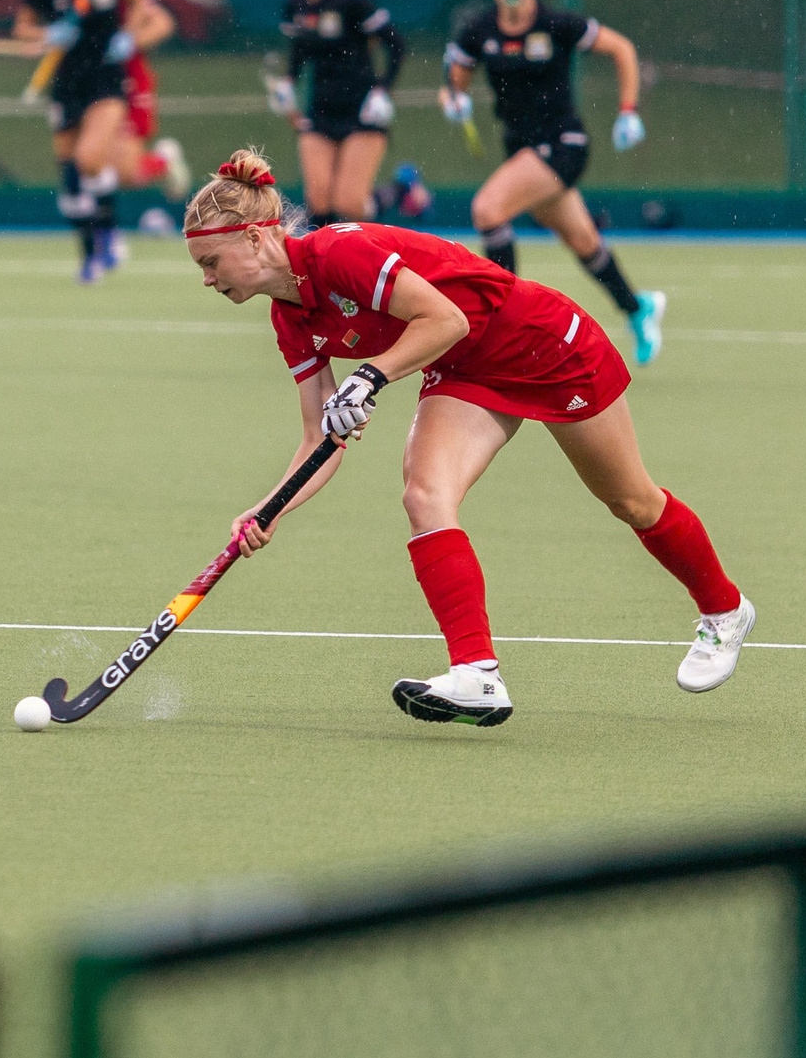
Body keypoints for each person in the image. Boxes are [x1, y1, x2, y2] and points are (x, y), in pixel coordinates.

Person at [181, 151, 753, 728]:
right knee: (424, 494)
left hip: (543, 342)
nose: (207, 279)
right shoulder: (290, 319)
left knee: (631, 501)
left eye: (211, 261)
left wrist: (369, 377)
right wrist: (270, 507)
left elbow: (446, 319)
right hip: (466, 371)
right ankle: (477, 674)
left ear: (255, 239)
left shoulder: (337, 253)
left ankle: (725, 610)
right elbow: (319, 438)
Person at [442, 0, 664, 364]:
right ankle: (638, 307)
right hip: (521, 150)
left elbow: (623, 50)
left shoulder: (557, 23)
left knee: (488, 210)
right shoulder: (479, 30)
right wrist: (453, 101)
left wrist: (628, 111)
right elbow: (456, 80)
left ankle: (500, 327)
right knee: (583, 240)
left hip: (564, 144)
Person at [11, 0, 189, 282]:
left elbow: (141, 5)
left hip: (107, 81)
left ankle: (107, 238)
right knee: (70, 177)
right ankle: (91, 254)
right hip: (66, 85)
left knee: (89, 158)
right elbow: (23, 28)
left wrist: (131, 37)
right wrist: (45, 37)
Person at [270, 0, 407, 226]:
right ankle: (331, 271)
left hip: (361, 110)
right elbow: (300, 48)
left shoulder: (353, 1)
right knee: (319, 204)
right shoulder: (295, 2)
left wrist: (383, 90)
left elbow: (396, 44)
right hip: (320, 109)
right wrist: (288, 82)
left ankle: (400, 192)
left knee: (349, 203)